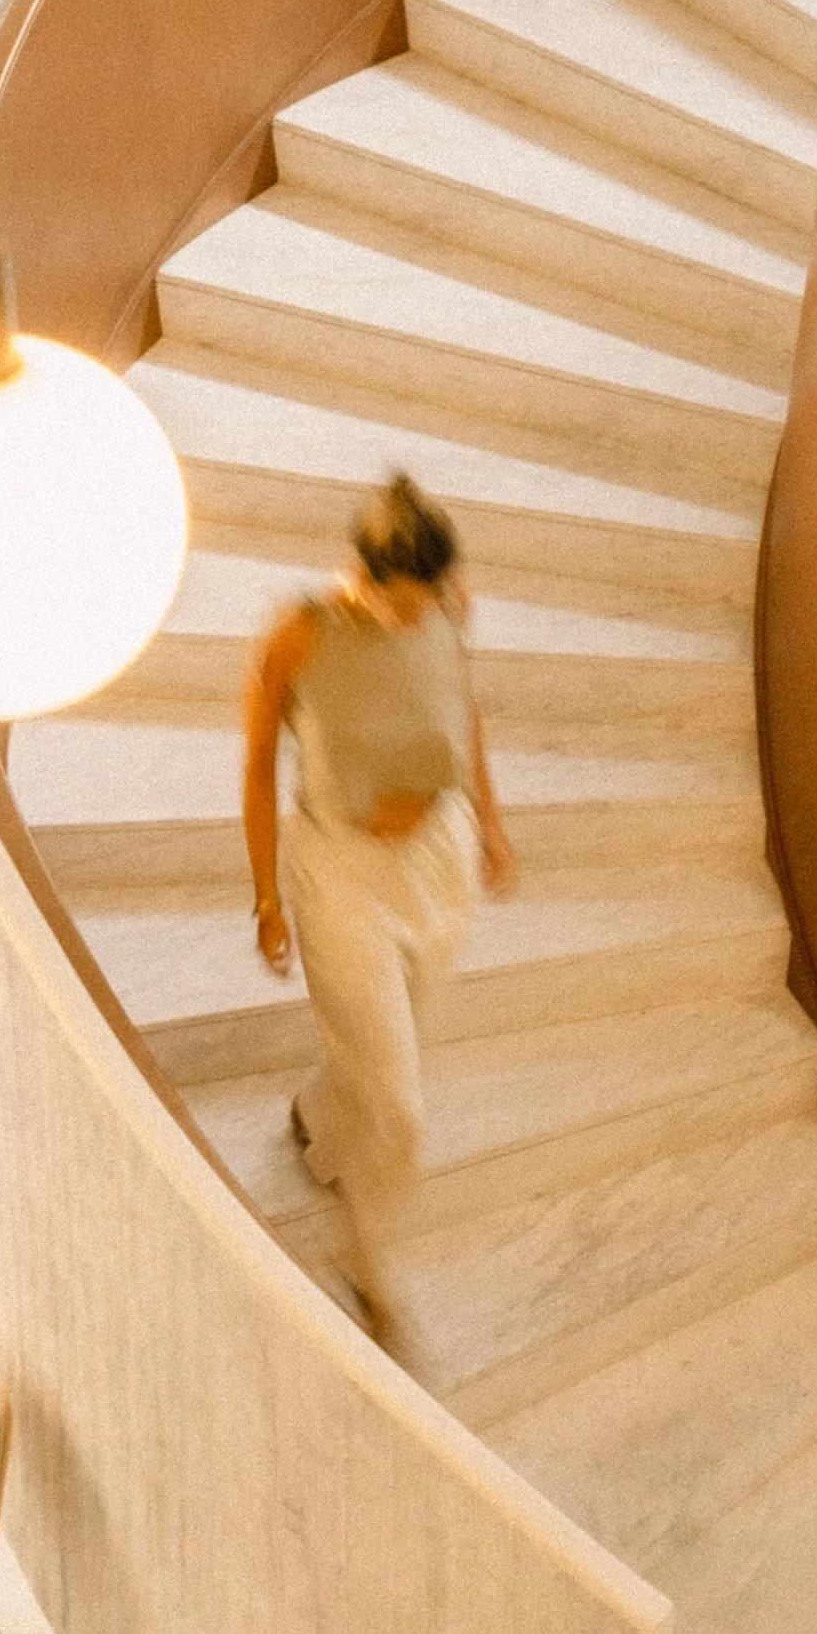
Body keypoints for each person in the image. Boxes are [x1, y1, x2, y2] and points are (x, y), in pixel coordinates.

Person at [242, 474, 516, 1356]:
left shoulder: (444, 604)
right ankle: (368, 1267)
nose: (416, 618)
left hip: (440, 858)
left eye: (427, 601)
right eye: (400, 604)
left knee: (381, 1054)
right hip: (341, 870)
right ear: (360, 575)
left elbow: (461, 709)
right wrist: (267, 898)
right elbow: (254, 769)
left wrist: (493, 826)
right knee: (399, 1107)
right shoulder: (299, 634)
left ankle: (319, 1112)